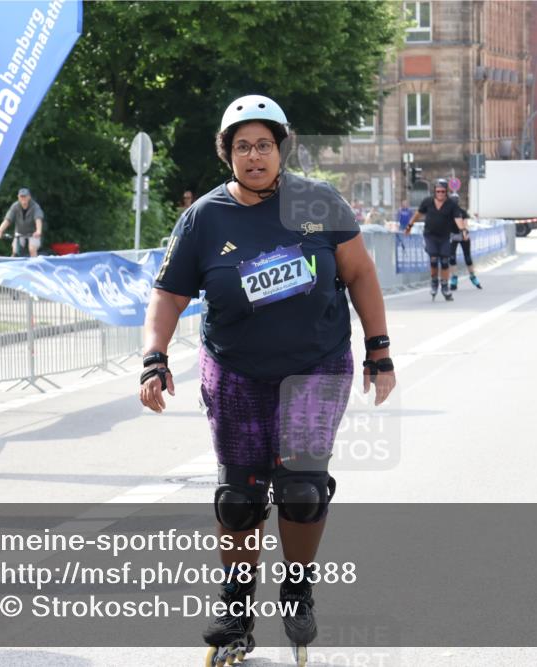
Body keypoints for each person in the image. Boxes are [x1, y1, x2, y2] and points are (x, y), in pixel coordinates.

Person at [137, 94, 395, 665]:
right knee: (239, 498)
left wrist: (379, 349)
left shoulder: (320, 202)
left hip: (316, 366)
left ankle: (297, 590)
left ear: (281, 149)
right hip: (236, 372)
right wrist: (154, 356)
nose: (254, 156)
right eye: (242, 146)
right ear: (227, 153)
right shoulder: (205, 218)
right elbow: (168, 294)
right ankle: (236, 605)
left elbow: (359, 273)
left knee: (301, 492)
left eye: (264, 145)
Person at [404, 178, 465, 301]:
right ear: (434, 192)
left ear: (446, 191)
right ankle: (434, 282)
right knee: (433, 259)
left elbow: (458, 219)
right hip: (430, 235)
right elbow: (417, 214)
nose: (440, 194)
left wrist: (463, 231)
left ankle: (445, 286)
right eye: (438, 191)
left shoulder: (451, 205)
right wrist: (409, 226)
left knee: (444, 261)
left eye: (443, 191)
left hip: (444, 236)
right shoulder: (428, 202)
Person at [447, 194, 483, 291]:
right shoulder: (447, 213)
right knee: (452, 257)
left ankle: (472, 276)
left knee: (467, 257)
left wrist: (465, 233)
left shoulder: (462, 212)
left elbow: (465, 224)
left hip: (462, 235)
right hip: (453, 236)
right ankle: (454, 278)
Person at [0, 187, 44, 257]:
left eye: (25, 196)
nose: (23, 198)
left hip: (33, 234)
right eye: (21, 196)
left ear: (29, 197)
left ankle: (35, 265)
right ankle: (13, 266)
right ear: (18, 197)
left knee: (32, 248)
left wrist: (38, 231)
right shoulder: (15, 206)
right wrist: (0, 231)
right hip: (19, 234)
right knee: (15, 250)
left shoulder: (35, 206)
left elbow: (38, 218)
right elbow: (8, 219)